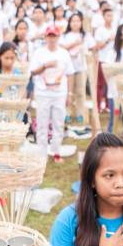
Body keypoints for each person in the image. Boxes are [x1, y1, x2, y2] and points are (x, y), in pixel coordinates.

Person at [30, 25, 74, 161]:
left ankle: (56, 151)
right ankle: (42, 154)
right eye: (49, 36)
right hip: (43, 93)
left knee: (58, 122)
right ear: (45, 37)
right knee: (42, 123)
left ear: (58, 37)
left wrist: (70, 94)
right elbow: (32, 72)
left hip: (59, 93)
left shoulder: (64, 53)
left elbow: (70, 73)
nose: (52, 39)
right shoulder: (39, 53)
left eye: (54, 36)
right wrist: (45, 66)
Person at [60, 12, 94, 124]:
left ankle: (80, 113)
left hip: (81, 67)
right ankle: (67, 113)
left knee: (80, 92)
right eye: (73, 21)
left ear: (81, 22)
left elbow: (92, 47)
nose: (75, 23)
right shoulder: (65, 36)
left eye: (78, 21)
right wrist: (75, 43)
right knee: (68, 91)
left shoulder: (86, 35)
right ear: (69, 23)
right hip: (67, 68)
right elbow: (62, 48)